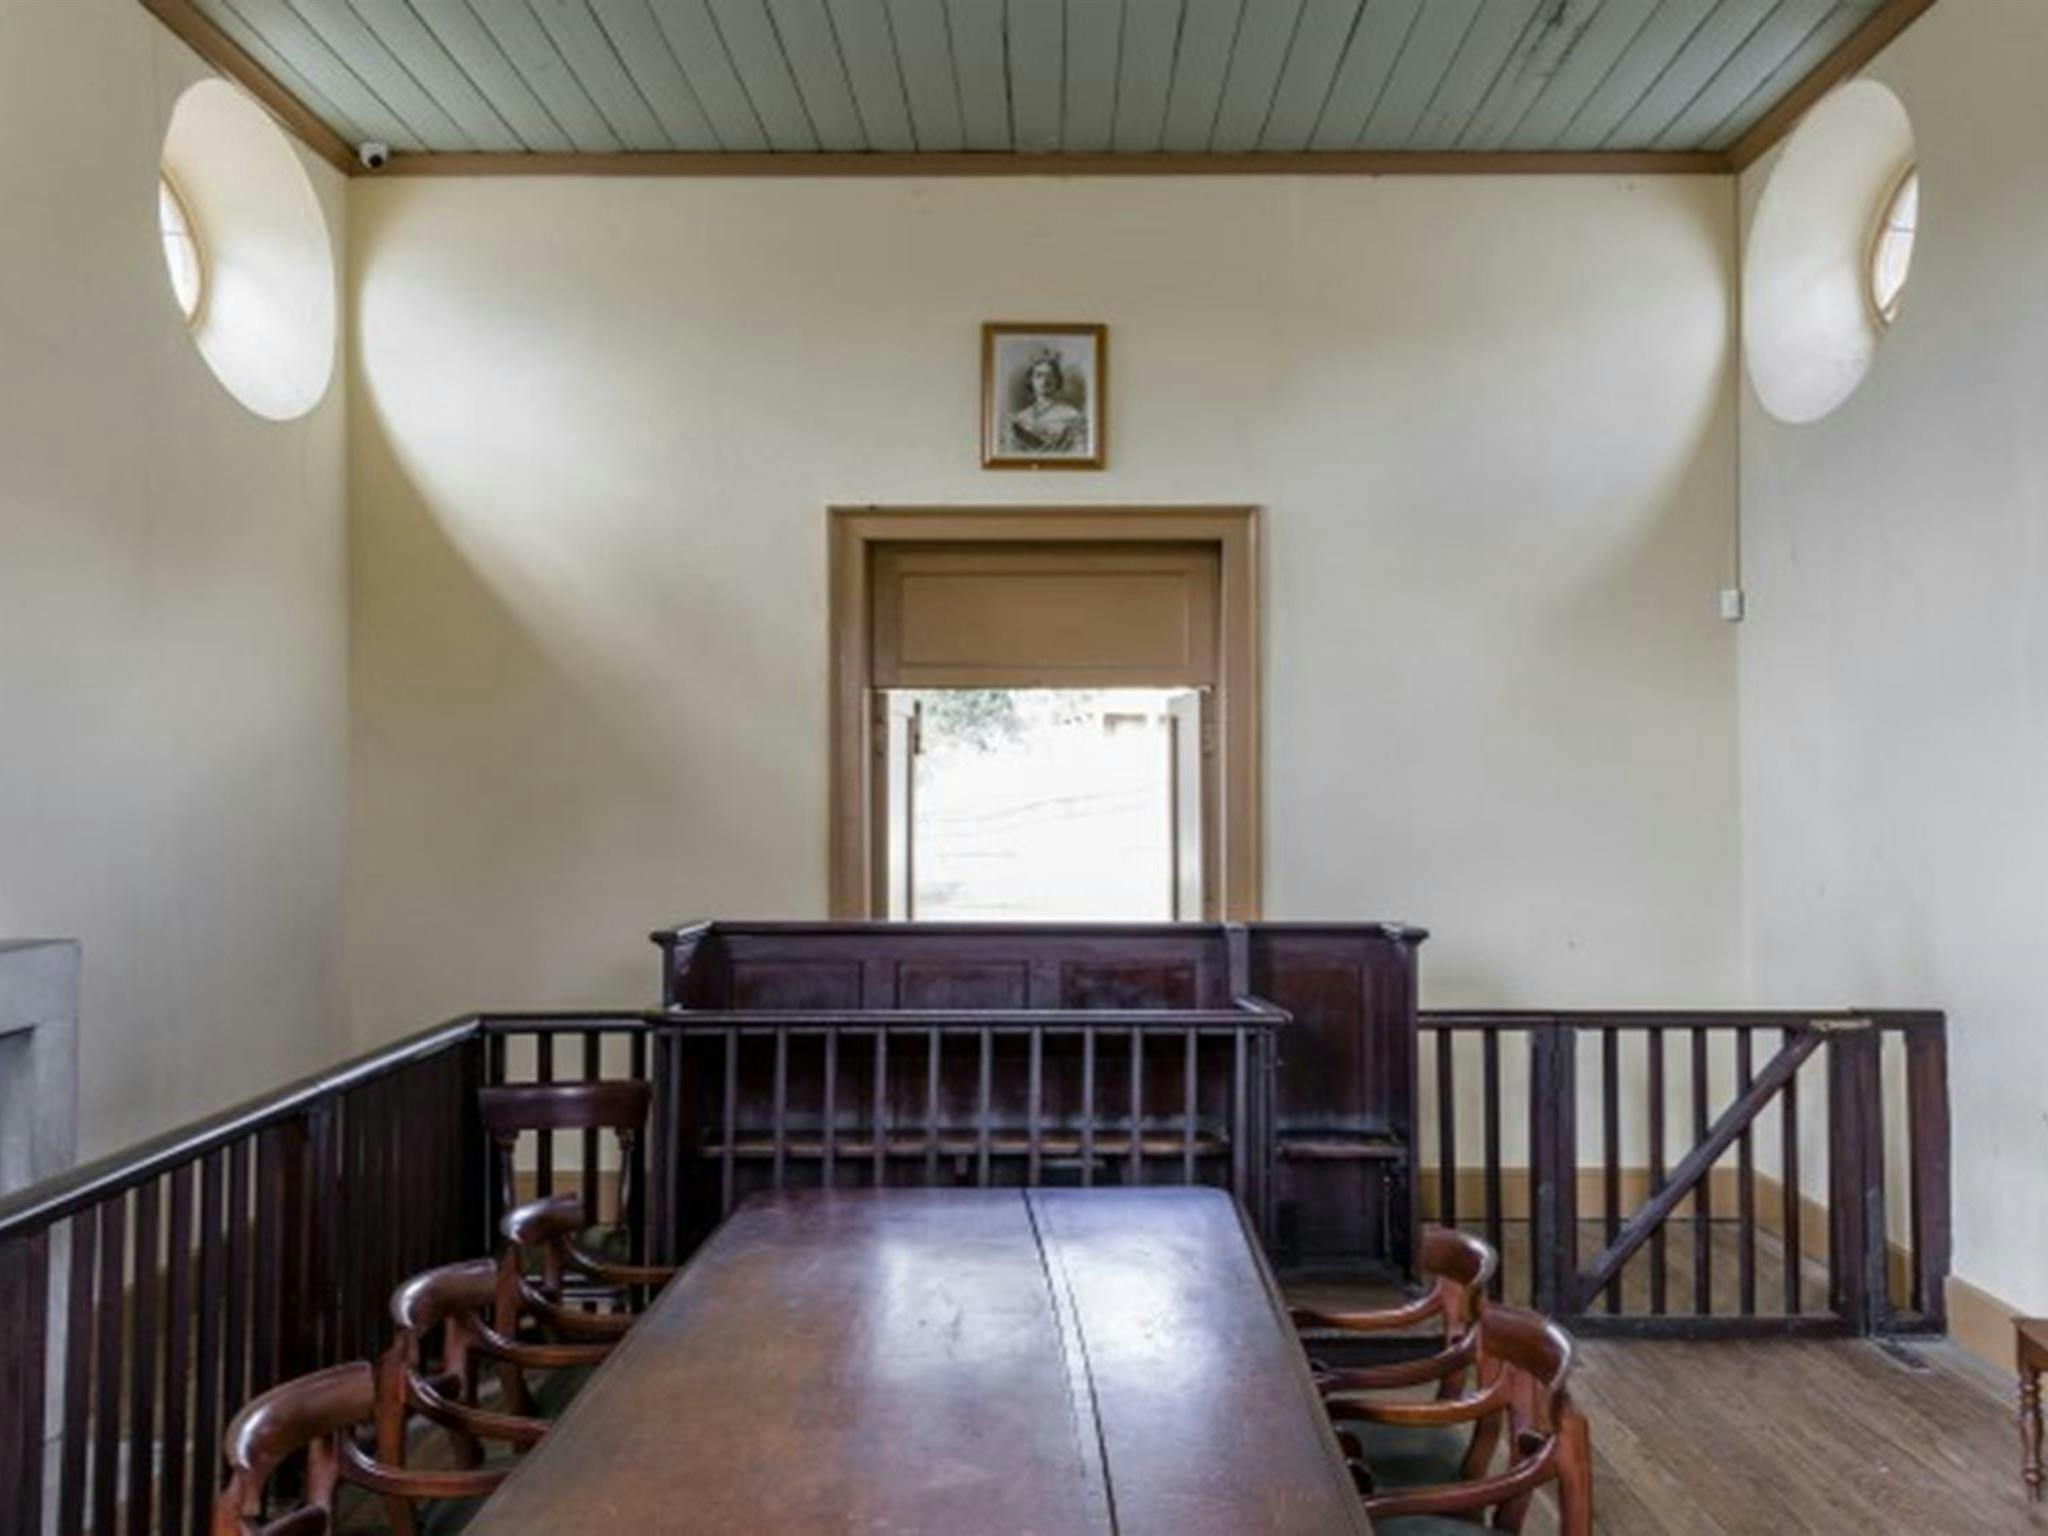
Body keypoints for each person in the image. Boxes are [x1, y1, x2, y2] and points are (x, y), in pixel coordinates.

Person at [1005, 349, 1088, 454]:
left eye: (1050, 376)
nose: (1044, 380)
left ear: (1057, 380)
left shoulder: (1072, 415)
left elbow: (1080, 452)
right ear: (1031, 380)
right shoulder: (1021, 417)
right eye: (1039, 375)